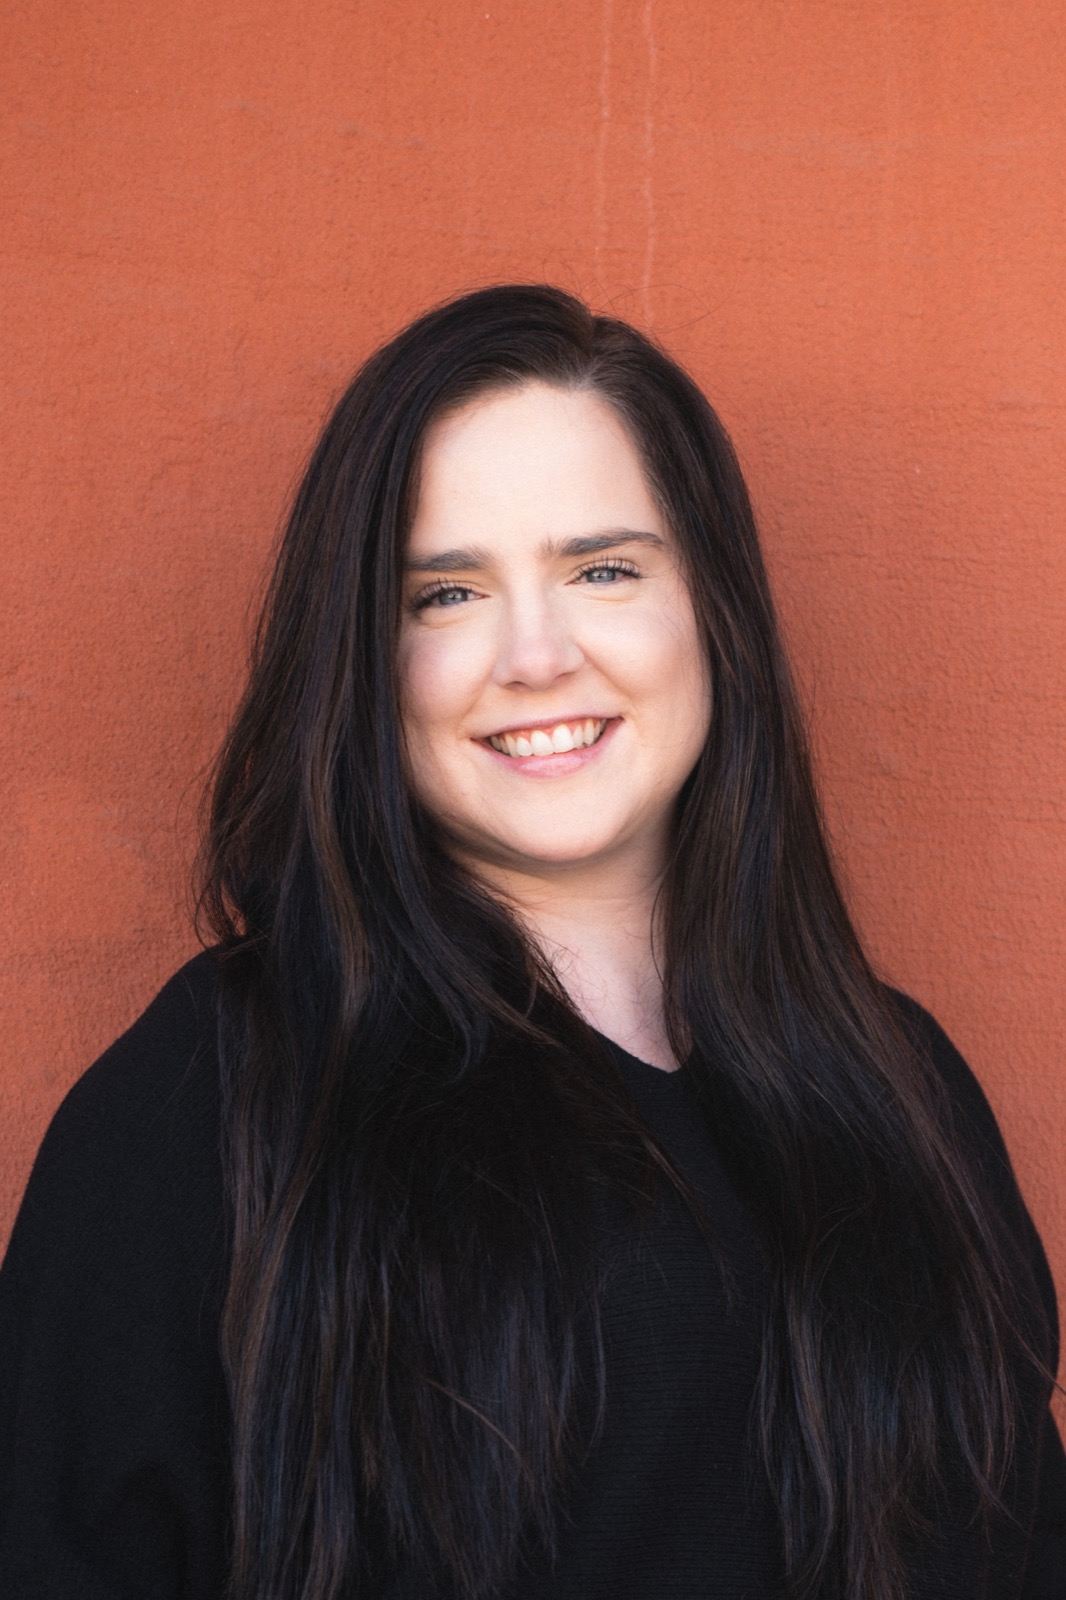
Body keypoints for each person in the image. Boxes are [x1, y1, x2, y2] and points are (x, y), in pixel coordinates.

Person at [0, 284, 1063, 1600]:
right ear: (366, 663)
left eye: (601, 569)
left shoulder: (899, 1093)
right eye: (445, 594)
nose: (536, 654)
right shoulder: (220, 1094)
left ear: (710, 611)